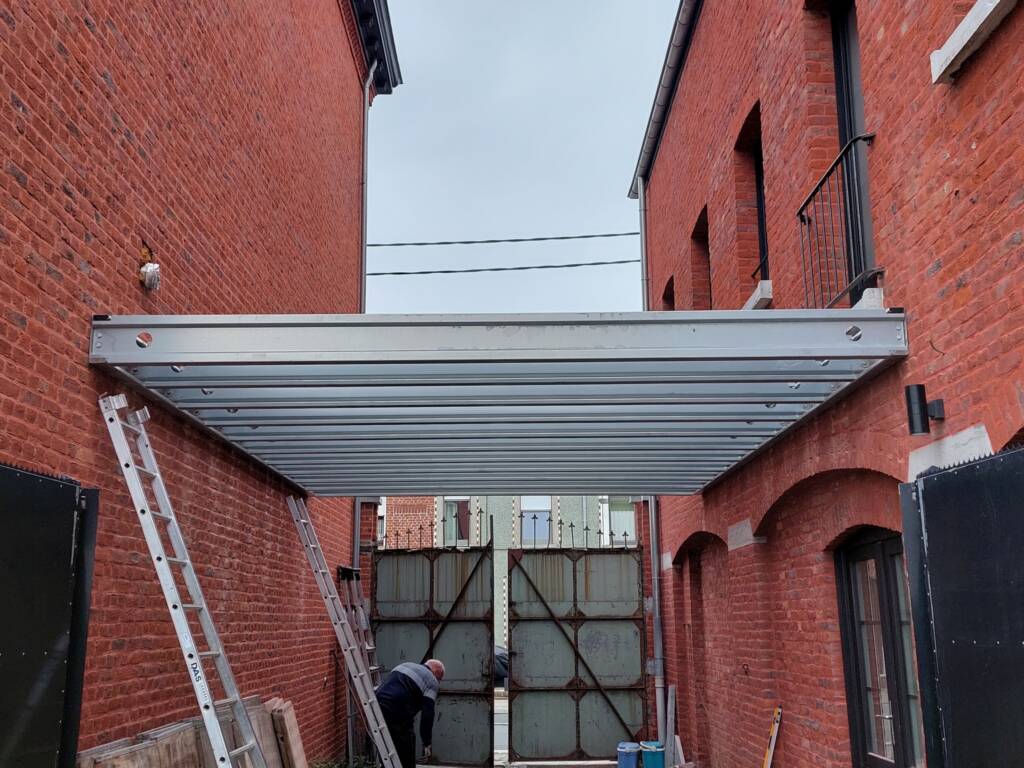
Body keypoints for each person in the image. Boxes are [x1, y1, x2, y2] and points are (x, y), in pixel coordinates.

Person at [375, 659, 445, 768]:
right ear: (436, 672)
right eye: (439, 679)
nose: (438, 682)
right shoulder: (432, 680)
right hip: (397, 708)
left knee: (387, 745)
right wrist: (427, 742)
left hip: (377, 703)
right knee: (406, 745)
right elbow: (428, 714)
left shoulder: (405, 665)